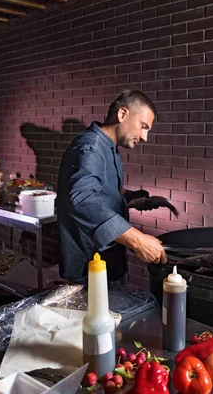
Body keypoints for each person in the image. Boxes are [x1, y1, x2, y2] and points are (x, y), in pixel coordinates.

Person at [57, 90, 168, 284]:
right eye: (143, 127)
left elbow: (105, 191)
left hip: (107, 262)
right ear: (122, 114)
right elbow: (83, 199)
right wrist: (138, 240)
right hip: (89, 266)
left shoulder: (108, 145)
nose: (145, 137)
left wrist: (137, 199)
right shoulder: (92, 148)